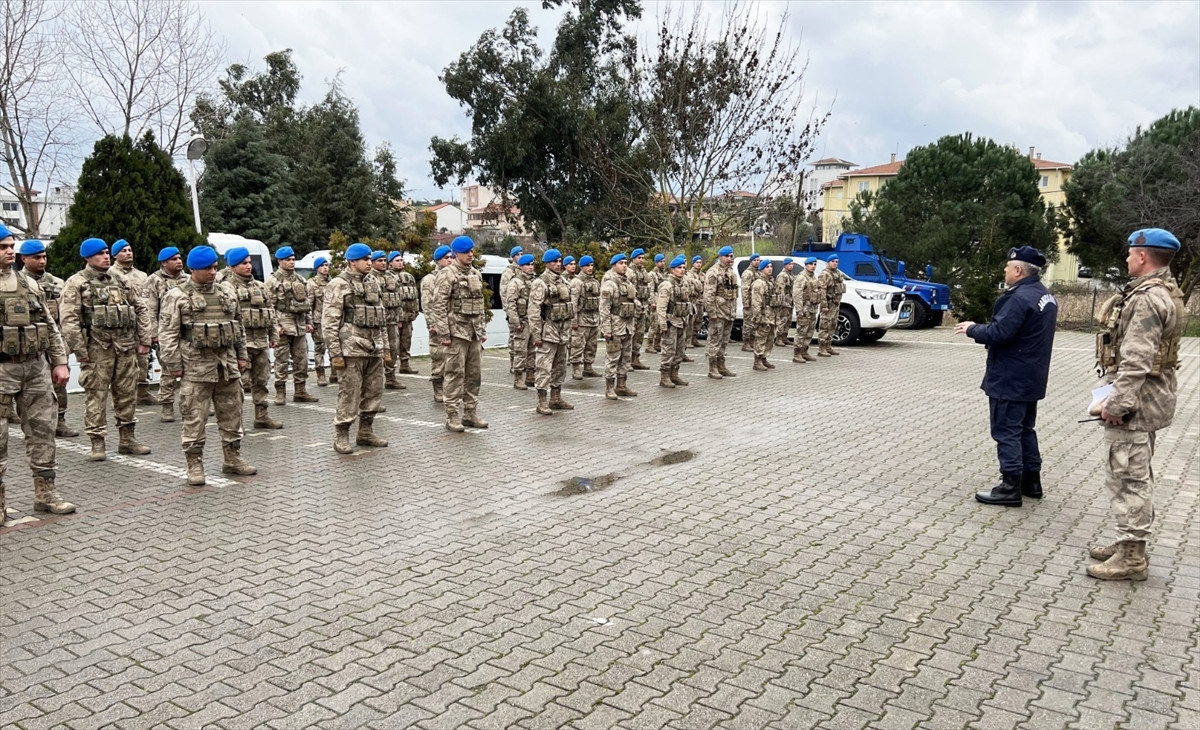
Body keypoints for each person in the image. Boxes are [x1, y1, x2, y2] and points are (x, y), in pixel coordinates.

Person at [1087, 229, 1184, 581]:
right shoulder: (1165, 290)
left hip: (1136, 405)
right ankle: (1127, 541)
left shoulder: (1146, 298)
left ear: (1143, 257)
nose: (1127, 259)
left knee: (1129, 478)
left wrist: (1118, 405)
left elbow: (1137, 361)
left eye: (1130, 253)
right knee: (1135, 475)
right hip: (1151, 400)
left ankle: (1132, 557)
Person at [954, 246, 1058, 507]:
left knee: (1006, 431)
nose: (1005, 270)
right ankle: (1031, 482)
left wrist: (972, 328)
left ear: (1019, 270)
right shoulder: (1045, 295)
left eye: (1008, 267)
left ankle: (1010, 486)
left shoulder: (1019, 298)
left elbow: (1000, 332)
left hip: (1010, 375)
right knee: (1024, 429)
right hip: (1032, 374)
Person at [158, 246, 256, 486]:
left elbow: (239, 328)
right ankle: (194, 464)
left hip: (227, 366)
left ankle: (232, 458)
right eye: (207, 269)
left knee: (233, 414)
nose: (213, 272)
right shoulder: (177, 296)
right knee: (194, 418)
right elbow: (167, 335)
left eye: (214, 267)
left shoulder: (227, 293)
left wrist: (242, 356)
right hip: (195, 368)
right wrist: (173, 365)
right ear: (193, 269)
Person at [0, 227, 75, 521]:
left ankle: (45, 493)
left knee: (43, 430)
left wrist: (59, 362)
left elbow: (49, 325)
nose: (9, 251)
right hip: (2, 370)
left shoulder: (28, 284)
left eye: (10, 246)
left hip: (35, 368)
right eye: (3, 246)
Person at [60, 237, 152, 461]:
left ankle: (127, 439)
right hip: (97, 349)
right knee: (96, 396)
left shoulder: (120, 280)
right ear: (87, 258)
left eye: (106, 252)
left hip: (125, 347)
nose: (105, 256)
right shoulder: (77, 283)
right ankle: (97, 442)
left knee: (127, 394)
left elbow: (140, 308)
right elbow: (69, 319)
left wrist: (144, 339)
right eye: (100, 254)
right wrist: (81, 351)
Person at [322, 243, 391, 453]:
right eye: (365, 260)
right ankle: (341, 435)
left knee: (373, 392)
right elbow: (329, 323)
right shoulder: (338, 284)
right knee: (349, 394)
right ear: (352, 261)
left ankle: (366, 432)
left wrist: (385, 347)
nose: (369, 263)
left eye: (370, 259)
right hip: (351, 349)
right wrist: (335, 353)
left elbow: (381, 318)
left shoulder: (373, 283)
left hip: (373, 347)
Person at [16, 239, 78, 436]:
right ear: (24, 259)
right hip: (28, 345)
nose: (42, 261)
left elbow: (66, 315)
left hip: (54, 341)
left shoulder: (58, 283)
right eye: (37, 257)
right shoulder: (17, 283)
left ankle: (60, 420)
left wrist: (66, 344)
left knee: (59, 384)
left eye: (44, 257)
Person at [428, 236, 488, 432]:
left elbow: (480, 305)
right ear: (456, 254)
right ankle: (452, 415)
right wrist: (444, 335)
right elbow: (438, 306)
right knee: (454, 374)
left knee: (474, 375)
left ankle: (470, 413)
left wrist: (482, 330)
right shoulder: (447, 274)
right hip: (456, 334)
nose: (471, 255)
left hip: (473, 333)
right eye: (466, 252)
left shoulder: (476, 274)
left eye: (472, 251)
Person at [222, 247, 282, 430]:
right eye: (243, 263)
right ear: (232, 266)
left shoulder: (260, 286)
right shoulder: (226, 288)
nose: (249, 266)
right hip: (241, 344)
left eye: (249, 262)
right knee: (238, 384)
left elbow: (270, 312)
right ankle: (235, 422)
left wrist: (273, 334)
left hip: (261, 342)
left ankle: (261, 416)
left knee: (261, 381)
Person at [266, 246, 317, 404]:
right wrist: (275, 327)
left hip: (299, 326)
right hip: (283, 326)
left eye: (293, 259)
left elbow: (306, 303)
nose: (292, 262)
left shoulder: (301, 280)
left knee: (301, 360)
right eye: (288, 259)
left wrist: (309, 322)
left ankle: (300, 391)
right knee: (281, 360)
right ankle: (280, 392)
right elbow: (269, 307)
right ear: (280, 261)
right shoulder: (272, 281)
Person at [528, 249, 575, 415]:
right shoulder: (540, 283)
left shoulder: (563, 281)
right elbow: (533, 310)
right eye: (554, 261)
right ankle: (542, 401)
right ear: (547, 263)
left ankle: (556, 398)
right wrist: (536, 334)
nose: (558, 264)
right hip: (548, 332)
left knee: (560, 366)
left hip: (563, 332)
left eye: (559, 261)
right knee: (544, 367)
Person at [143, 246, 186, 421]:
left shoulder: (189, 279)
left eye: (179, 258)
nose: (179, 261)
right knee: (168, 371)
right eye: (174, 259)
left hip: (187, 332)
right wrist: (154, 334)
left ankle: (188, 405)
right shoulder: (154, 281)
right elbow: (149, 309)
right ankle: (167, 406)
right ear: (164, 263)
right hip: (166, 333)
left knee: (190, 371)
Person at [111, 238, 155, 406]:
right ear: (115, 255)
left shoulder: (142, 275)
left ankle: (142, 393)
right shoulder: (111, 274)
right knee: (121, 364)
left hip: (140, 325)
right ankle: (122, 396)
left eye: (130, 250)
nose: (128, 253)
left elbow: (147, 303)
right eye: (124, 250)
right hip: (121, 327)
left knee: (142, 361)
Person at [599, 253, 639, 400]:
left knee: (626, 357)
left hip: (628, 326)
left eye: (625, 263)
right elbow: (604, 308)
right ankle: (609, 387)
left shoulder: (628, 283)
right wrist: (606, 330)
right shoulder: (610, 283)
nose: (624, 265)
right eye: (621, 263)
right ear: (613, 265)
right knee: (613, 357)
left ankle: (621, 385)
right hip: (615, 326)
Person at [421, 245, 453, 403]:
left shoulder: (452, 276)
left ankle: (450, 389)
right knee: (439, 358)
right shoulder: (430, 279)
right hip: (438, 326)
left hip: (453, 324)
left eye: (451, 257)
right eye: (446, 258)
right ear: (438, 260)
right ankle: (438, 389)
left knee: (452, 360)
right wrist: (431, 324)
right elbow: (427, 304)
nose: (450, 260)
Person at [371, 250, 407, 391]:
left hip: (391, 320)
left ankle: (391, 378)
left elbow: (398, 299)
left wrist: (399, 318)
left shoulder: (392, 277)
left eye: (384, 260)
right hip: (376, 321)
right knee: (376, 350)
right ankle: (374, 380)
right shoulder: (369, 278)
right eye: (379, 261)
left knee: (392, 349)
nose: (383, 263)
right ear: (373, 262)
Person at [702, 246, 738, 379]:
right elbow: (709, 295)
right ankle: (712, 368)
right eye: (727, 256)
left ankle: (721, 365)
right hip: (718, 311)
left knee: (724, 340)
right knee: (715, 340)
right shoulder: (713, 272)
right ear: (720, 257)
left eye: (731, 256)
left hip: (728, 311)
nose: (730, 259)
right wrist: (712, 313)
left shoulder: (730, 272)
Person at [656, 255, 691, 388]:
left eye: (683, 267)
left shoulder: (684, 283)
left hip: (681, 321)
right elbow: (661, 307)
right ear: (672, 270)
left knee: (679, 350)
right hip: (671, 322)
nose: (682, 270)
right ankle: (664, 376)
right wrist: (663, 324)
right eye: (679, 268)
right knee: (668, 350)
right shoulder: (667, 285)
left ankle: (674, 374)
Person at [503, 254, 536, 390]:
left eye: (532, 264)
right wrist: (516, 322)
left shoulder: (535, 281)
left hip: (533, 321)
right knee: (520, 350)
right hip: (522, 321)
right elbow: (511, 304)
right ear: (521, 267)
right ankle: (518, 378)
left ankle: (530, 376)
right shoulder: (515, 282)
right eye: (527, 265)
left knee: (533, 350)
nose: (530, 267)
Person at [569, 255, 601, 380]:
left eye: (592, 265)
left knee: (592, 345)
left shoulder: (595, 282)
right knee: (577, 344)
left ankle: (588, 367)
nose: (590, 268)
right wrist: (574, 320)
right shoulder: (577, 282)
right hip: (582, 320)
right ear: (581, 267)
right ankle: (576, 368)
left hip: (593, 319)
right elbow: (573, 303)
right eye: (587, 265)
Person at [390, 252, 420, 376]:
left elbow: (415, 296)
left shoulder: (409, 277)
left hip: (408, 316)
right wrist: (397, 318)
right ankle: (390, 369)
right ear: (390, 263)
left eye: (401, 260)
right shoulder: (389, 277)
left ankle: (405, 364)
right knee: (393, 344)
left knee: (406, 341)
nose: (400, 262)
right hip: (396, 318)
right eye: (397, 260)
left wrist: (415, 311)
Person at [306, 257, 332, 386]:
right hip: (319, 321)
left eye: (326, 265)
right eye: (322, 266)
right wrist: (309, 322)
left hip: (333, 320)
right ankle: (320, 374)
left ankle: (335, 373)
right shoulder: (312, 284)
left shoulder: (333, 282)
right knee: (319, 348)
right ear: (317, 268)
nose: (325, 268)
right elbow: (309, 304)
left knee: (334, 346)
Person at [749, 259, 777, 370]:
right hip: (763, 315)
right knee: (760, 338)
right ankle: (757, 360)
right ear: (761, 269)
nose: (770, 268)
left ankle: (764, 358)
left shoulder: (770, 282)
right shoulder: (759, 283)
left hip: (771, 315)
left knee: (770, 338)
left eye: (771, 266)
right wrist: (757, 317)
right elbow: (756, 302)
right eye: (767, 267)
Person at [816, 254, 845, 357]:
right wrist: (824, 304)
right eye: (833, 261)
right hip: (828, 303)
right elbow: (822, 290)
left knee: (833, 325)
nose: (835, 263)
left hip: (835, 304)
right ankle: (822, 348)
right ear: (828, 262)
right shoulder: (825, 274)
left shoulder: (837, 273)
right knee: (825, 325)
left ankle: (828, 346)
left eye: (837, 262)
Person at [792, 257, 820, 363]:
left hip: (812, 309)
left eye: (814, 264)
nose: (813, 266)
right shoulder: (801, 278)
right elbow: (797, 294)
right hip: (804, 310)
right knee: (801, 332)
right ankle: (797, 353)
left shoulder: (814, 277)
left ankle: (804, 351)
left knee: (809, 332)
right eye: (811, 264)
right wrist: (799, 310)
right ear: (806, 265)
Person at [628, 248, 652, 370]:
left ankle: (635, 358)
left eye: (643, 258)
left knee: (640, 334)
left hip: (643, 307)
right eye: (639, 258)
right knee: (630, 334)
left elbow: (648, 288)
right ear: (633, 259)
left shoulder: (644, 272)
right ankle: (626, 360)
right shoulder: (629, 272)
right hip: (632, 308)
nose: (642, 260)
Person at [740, 252, 761, 352]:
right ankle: (746, 343)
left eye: (758, 260)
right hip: (750, 301)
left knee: (754, 323)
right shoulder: (748, 273)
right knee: (748, 324)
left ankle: (752, 342)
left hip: (756, 302)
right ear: (751, 261)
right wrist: (746, 302)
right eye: (755, 260)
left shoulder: (758, 272)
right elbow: (745, 288)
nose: (757, 262)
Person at [646, 253, 667, 353]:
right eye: (660, 261)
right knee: (654, 324)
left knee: (660, 324)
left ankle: (657, 344)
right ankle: (649, 345)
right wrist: (652, 302)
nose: (662, 263)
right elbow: (650, 289)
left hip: (662, 300)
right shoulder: (652, 275)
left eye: (663, 261)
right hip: (655, 299)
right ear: (656, 263)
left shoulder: (664, 274)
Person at [774, 258, 796, 347]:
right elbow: (780, 290)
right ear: (785, 265)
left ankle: (784, 337)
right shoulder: (782, 275)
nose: (792, 266)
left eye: (792, 264)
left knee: (788, 321)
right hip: (784, 303)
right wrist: (781, 302)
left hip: (790, 302)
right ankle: (778, 338)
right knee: (782, 321)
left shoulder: (790, 275)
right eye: (790, 264)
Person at [687, 255, 706, 348]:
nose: (699, 264)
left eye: (700, 262)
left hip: (700, 300)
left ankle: (694, 339)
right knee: (691, 321)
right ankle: (688, 341)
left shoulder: (703, 275)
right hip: (692, 300)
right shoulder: (689, 274)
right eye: (697, 262)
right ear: (693, 263)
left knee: (699, 321)